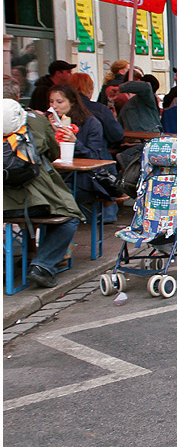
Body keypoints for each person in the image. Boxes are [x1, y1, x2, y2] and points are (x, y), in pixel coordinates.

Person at [3, 96, 83, 289]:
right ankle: (42, 265)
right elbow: (54, 152)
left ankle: (30, 258)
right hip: (34, 201)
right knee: (70, 215)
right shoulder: (36, 122)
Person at [47, 84, 116, 219]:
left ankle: (63, 232)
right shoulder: (48, 123)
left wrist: (74, 142)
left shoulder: (91, 123)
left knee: (61, 200)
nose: (54, 106)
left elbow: (95, 157)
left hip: (85, 179)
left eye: (59, 102)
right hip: (58, 176)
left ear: (72, 102)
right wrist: (54, 135)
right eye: (51, 102)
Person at [69, 73, 124, 150]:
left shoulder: (64, 109)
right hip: (97, 153)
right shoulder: (100, 109)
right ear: (90, 90)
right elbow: (117, 135)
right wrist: (115, 119)